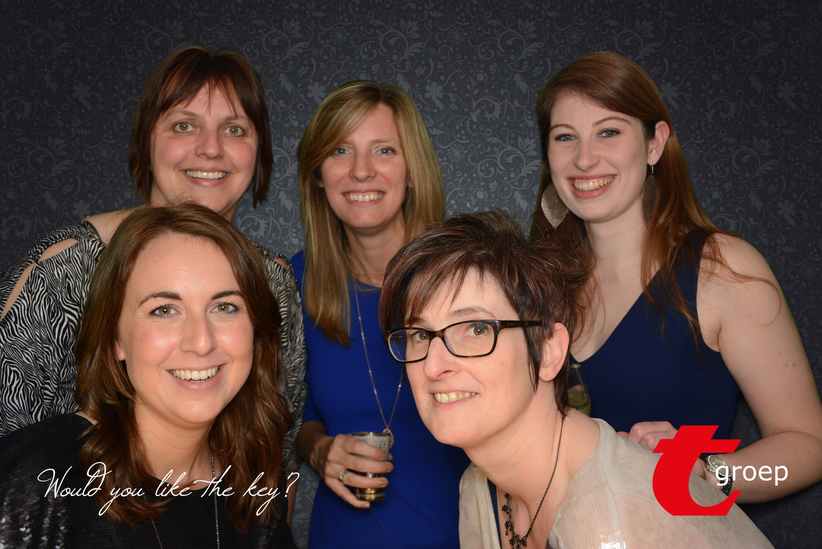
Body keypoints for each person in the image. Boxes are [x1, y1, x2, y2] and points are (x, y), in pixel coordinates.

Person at [379, 210, 774, 549]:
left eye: (477, 329)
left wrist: (713, 469)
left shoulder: (609, 526)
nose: (433, 366)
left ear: (549, 351)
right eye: (419, 335)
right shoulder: (477, 490)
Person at [526, 51, 822, 503]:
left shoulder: (723, 269)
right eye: (565, 137)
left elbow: (811, 447)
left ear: (655, 144)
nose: (584, 158)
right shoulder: (536, 282)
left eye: (609, 132)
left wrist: (705, 472)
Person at [0, 46, 306, 473]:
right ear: (147, 141)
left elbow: (277, 454)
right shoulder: (61, 271)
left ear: (259, 151)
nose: (210, 149)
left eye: (234, 129)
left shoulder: (273, 281)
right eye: (184, 125)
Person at [0, 203, 296, 548]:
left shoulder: (259, 482)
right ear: (114, 338)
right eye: (164, 310)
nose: (202, 342)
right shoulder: (36, 479)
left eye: (225, 307)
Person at [291, 80, 469, 548]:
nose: (361, 171)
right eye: (340, 151)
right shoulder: (295, 282)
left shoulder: (469, 277)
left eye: (384, 150)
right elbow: (298, 419)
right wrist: (320, 449)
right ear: (318, 175)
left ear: (412, 171)